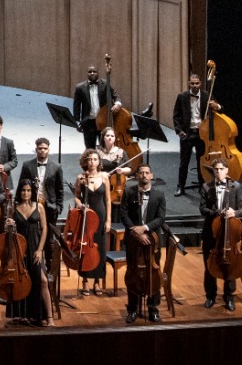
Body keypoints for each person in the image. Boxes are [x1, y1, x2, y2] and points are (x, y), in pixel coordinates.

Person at [116, 161, 165, 323]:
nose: (143, 175)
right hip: (133, 240)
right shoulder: (129, 192)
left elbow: (160, 218)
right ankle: (132, 308)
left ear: (151, 176)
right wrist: (135, 232)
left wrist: (144, 228)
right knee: (133, 271)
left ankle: (153, 308)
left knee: (154, 273)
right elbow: (123, 214)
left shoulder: (159, 195)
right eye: (141, 173)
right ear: (136, 176)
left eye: (146, 173)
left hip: (153, 240)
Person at [199, 156, 242, 310]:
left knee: (230, 265)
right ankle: (210, 296)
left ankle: (229, 297)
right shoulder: (206, 187)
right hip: (211, 232)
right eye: (216, 170)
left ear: (227, 170)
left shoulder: (235, 187)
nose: (219, 172)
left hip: (229, 235)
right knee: (209, 265)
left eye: (222, 169)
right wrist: (217, 212)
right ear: (213, 171)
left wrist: (234, 212)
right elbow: (202, 209)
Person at [4, 178, 53, 326]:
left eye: (29, 190)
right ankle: (22, 314)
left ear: (33, 192)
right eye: (23, 190)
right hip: (19, 248)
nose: (26, 193)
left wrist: (40, 250)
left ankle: (48, 317)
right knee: (21, 281)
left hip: (34, 248)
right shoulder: (13, 206)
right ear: (20, 191)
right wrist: (8, 225)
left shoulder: (39, 207)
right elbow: (7, 230)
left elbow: (44, 229)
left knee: (42, 281)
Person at [19, 138, 65, 272]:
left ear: (49, 149)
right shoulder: (28, 165)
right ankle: (31, 267)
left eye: (45, 148)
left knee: (49, 239)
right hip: (32, 206)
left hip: (50, 207)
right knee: (32, 236)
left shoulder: (56, 167)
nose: (42, 150)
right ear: (36, 149)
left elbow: (60, 189)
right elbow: (22, 185)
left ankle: (49, 269)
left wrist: (59, 208)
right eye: (40, 148)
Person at [73, 149, 111, 295]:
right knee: (86, 248)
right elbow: (76, 196)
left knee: (100, 249)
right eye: (89, 160)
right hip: (86, 217)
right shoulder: (81, 177)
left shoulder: (105, 177)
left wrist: (108, 220)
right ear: (85, 161)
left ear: (99, 162)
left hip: (100, 216)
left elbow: (108, 200)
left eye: (95, 159)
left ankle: (97, 281)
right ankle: (85, 281)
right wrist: (80, 204)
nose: (92, 162)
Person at [172, 71, 211, 195]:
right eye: (192, 83)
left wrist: (217, 106)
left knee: (201, 161)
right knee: (184, 162)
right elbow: (176, 116)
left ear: (200, 83)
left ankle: (202, 186)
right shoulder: (182, 96)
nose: (194, 86)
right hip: (187, 133)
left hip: (202, 134)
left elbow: (219, 109)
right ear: (189, 83)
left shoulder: (206, 96)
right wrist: (179, 131)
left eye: (197, 83)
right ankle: (180, 186)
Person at [71, 65, 120, 151]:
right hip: (89, 122)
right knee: (90, 148)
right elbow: (77, 106)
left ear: (98, 73)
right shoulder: (80, 87)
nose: (92, 73)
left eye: (94, 71)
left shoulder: (105, 84)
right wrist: (77, 121)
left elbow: (115, 96)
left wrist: (117, 104)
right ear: (87, 73)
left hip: (103, 121)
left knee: (105, 147)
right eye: (90, 72)